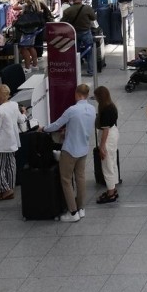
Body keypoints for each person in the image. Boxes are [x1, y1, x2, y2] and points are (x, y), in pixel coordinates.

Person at [41, 82, 97, 221]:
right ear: (87, 94)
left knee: (66, 180)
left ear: (77, 94)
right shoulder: (91, 109)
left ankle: (72, 212)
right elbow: (82, 125)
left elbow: (56, 125)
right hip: (83, 149)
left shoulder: (72, 110)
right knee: (81, 179)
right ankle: (81, 208)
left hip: (70, 150)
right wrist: (69, 130)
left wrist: (43, 129)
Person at [0, 84, 22, 201]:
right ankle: (9, 188)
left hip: (0, 145)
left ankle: (6, 189)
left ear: (0, 96)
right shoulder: (14, 105)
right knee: (10, 167)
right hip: (13, 142)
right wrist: (24, 113)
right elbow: (21, 119)